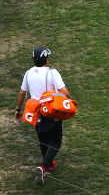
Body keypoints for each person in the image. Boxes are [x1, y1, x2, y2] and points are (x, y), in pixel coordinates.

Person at [14, 46, 74, 183]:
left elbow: (22, 93)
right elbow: (64, 91)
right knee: (56, 141)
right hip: (50, 111)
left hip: (36, 112)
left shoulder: (28, 73)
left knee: (43, 139)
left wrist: (18, 110)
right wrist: (70, 100)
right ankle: (44, 166)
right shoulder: (52, 73)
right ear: (46, 59)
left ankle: (48, 165)